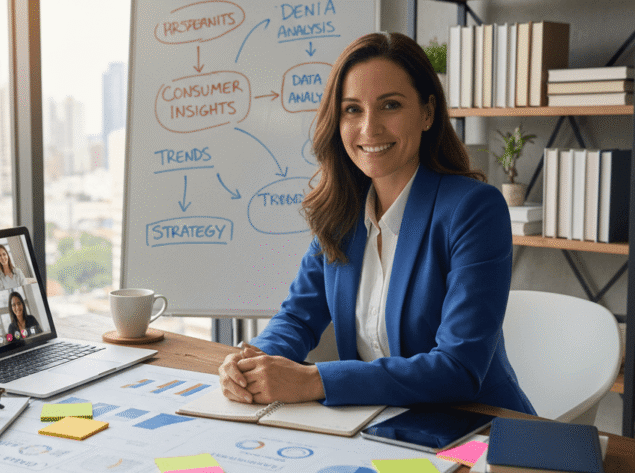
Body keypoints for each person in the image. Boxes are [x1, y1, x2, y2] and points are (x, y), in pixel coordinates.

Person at [219, 32, 535, 415]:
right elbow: (298, 317)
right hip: (379, 423)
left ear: (427, 113)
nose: (369, 128)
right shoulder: (342, 211)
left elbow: (458, 368)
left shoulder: (474, 209)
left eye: (390, 105)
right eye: (353, 109)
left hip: (475, 428)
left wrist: (314, 380)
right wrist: (252, 362)